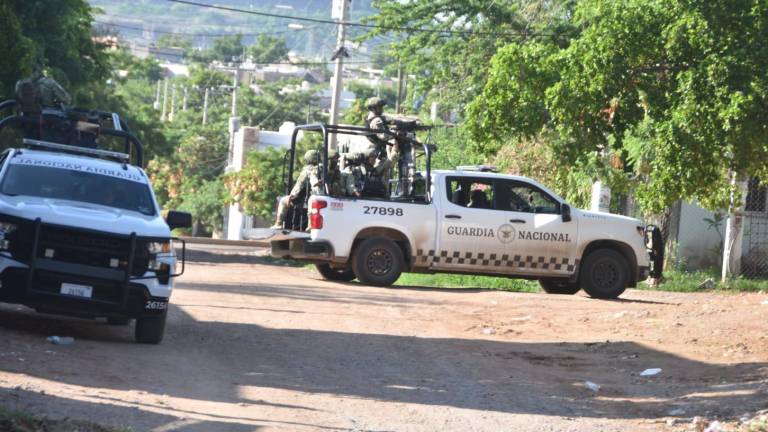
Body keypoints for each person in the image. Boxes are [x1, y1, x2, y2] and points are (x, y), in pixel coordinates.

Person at [272, 150, 322, 229]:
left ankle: (278, 224)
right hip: (318, 196)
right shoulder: (323, 169)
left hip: (306, 198)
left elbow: (299, 184)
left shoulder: (307, 169)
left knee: (283, 201)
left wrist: (292, 196)